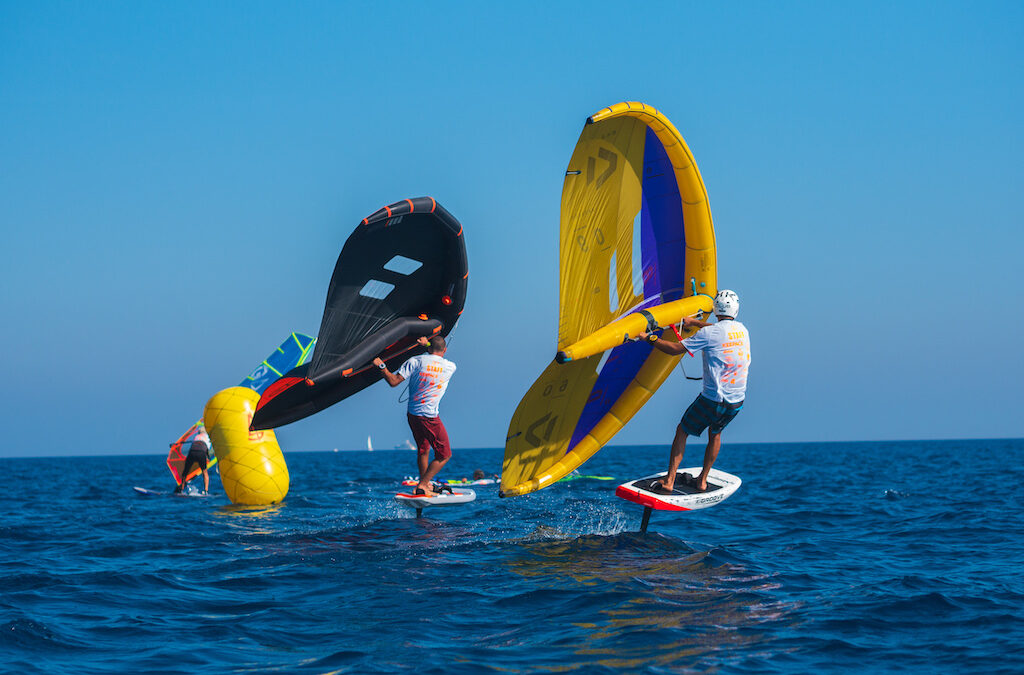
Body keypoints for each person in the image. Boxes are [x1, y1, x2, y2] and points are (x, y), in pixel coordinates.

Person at [639, 289, 751, 493]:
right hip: (736, 401)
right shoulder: (742, 330)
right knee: (715, 433)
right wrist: (696, 323)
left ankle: (670, 481)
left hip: (713, 400)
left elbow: (674, 349)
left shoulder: (710, 333)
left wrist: (649, 338)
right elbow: (720, 331)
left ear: (716, 308)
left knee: (682, 430)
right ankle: (702, 481)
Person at [374, 336, 457, 497]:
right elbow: (433, 355)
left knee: (423, 449)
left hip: (413, 414)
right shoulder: (450, 367)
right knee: (445, 455)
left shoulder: (415, 361)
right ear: (444, 350)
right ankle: (423, 484)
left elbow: (393, 381)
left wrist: (381, 366)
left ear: (428, 348)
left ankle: (424, 483)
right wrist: (427, 345)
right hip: (430, 417)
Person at [175, 427, 211, 494]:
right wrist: (208, 458)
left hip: (192, 452)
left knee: (185, 471)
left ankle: (181, 488)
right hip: (201, 453)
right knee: (205, 472)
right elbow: (206, 451)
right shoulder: (207, 438)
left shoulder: (196, 437)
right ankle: (206, 490)